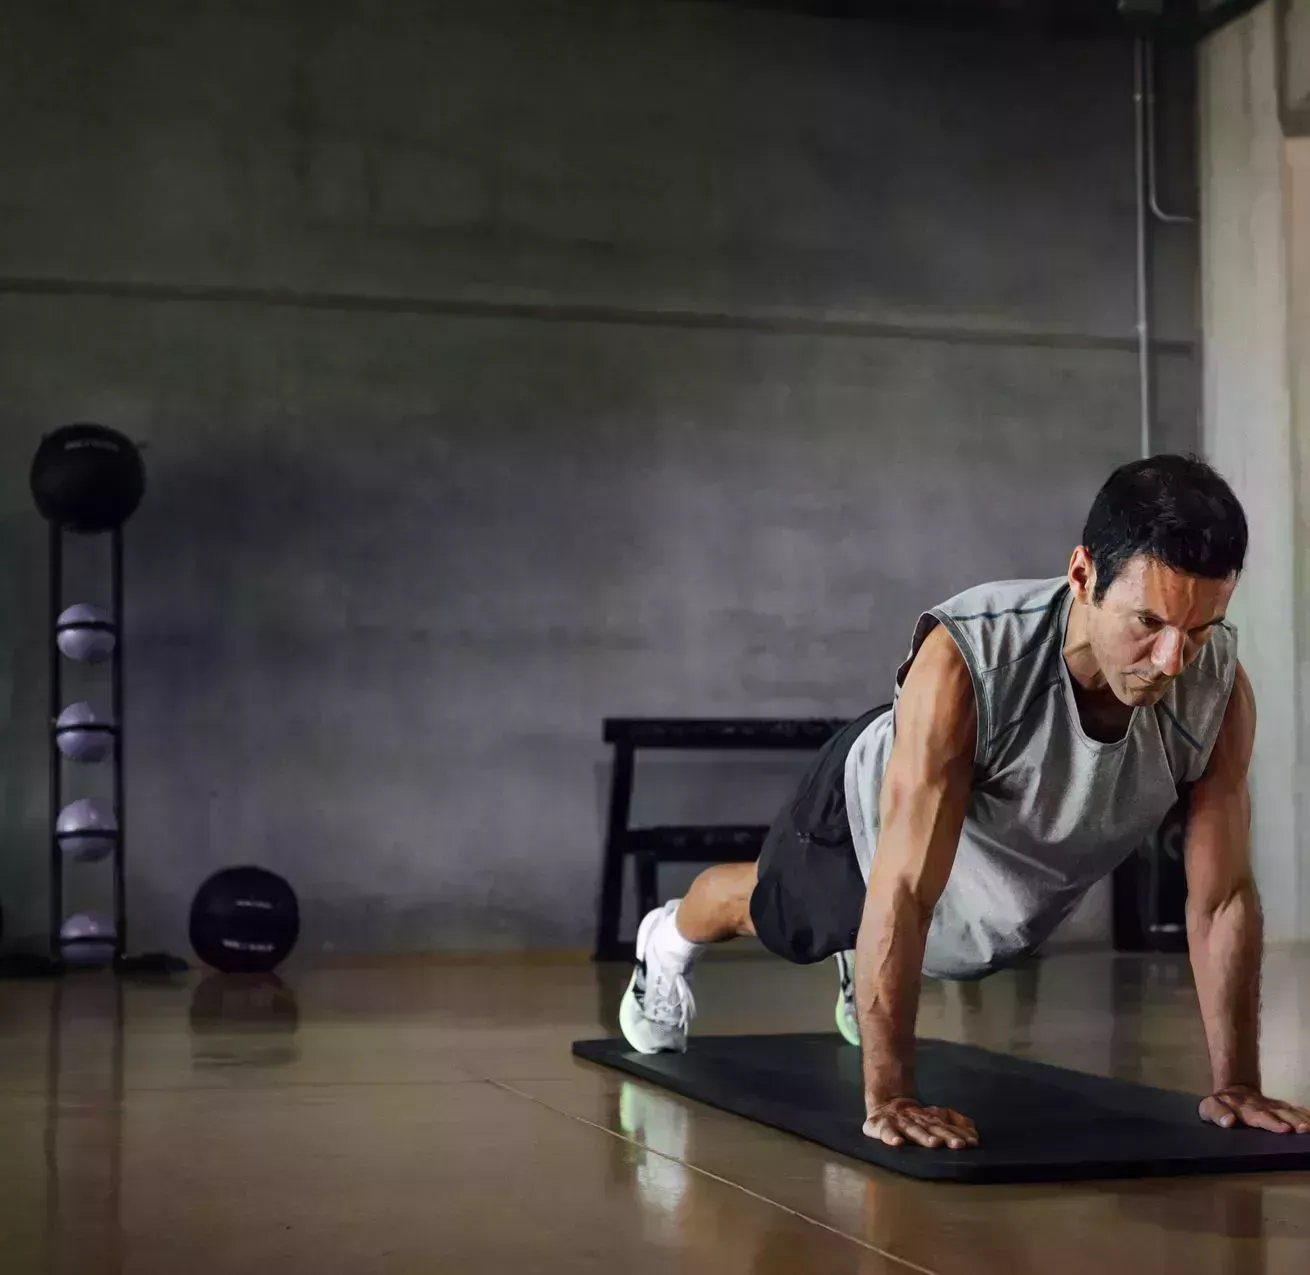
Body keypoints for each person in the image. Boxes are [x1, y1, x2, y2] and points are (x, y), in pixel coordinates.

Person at [619, 454, 1310, 1151]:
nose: (1170, 660)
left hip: (982, 876)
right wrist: (890, 1093)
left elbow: (1221, 898)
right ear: (1082, 576)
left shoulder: (1216, 690)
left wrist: (1238, 1083)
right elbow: (905, 885)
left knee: (929, 939)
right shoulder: (969, 660)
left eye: (1197, 630)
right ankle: (668, 936)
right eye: (1148, 621)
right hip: (864, 819)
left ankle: (864, 958)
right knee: (780, 914)